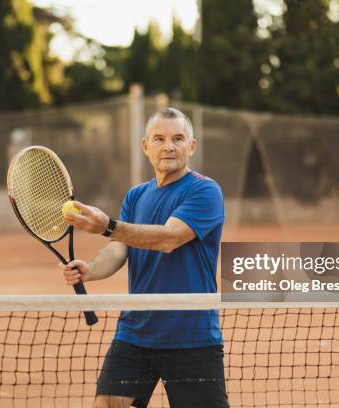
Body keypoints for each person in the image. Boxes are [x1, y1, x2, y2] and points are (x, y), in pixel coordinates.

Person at [60, 107, 228, 408]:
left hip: (191, 336)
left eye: (178, 138)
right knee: (108, 405)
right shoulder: (136, 195)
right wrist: (91, 269)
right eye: (159, 138)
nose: (169, 146)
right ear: (145, 146)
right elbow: (118, 247)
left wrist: (108, 225)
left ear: (191, 146)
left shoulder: (205, 191)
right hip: (136, 333)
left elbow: (169, 238)